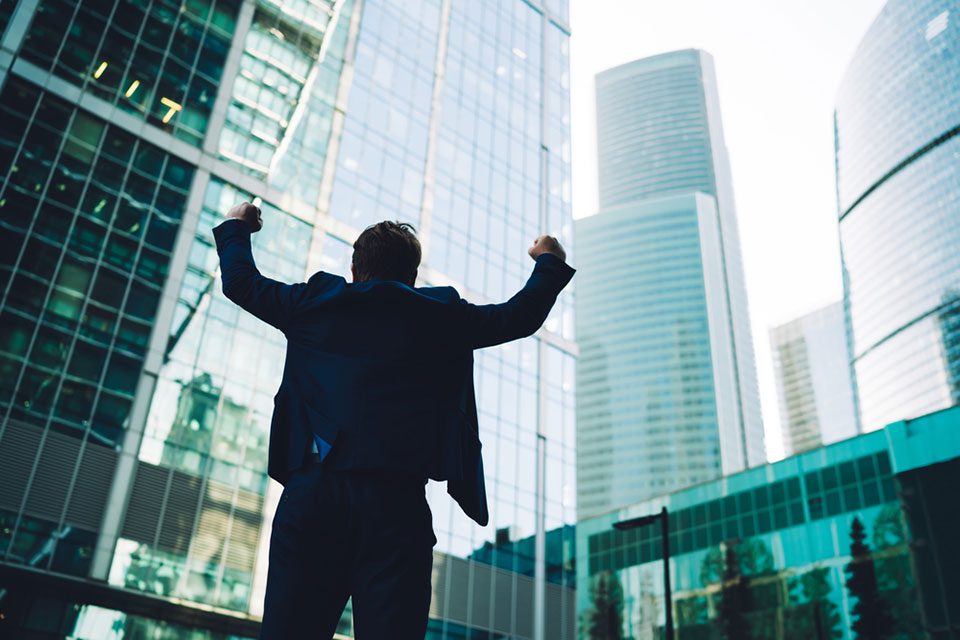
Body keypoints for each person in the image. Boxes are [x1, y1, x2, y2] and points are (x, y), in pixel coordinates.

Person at [213, 202, 574, 639]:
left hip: (314, 499)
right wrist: (549, 260)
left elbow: (240, 282)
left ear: (354, 267)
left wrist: (237, 225)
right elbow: (519, 315)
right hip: (397, 508)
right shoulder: (444, 316)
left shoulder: (314, 303)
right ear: (413, 275)